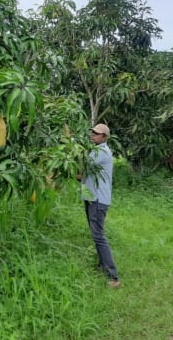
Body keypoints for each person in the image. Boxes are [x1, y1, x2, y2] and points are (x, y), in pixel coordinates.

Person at [78, 123, 120, 288]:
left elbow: (84, 165)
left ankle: (113, 277)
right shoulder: (96, 150)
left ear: (104, 137)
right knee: (96, 234)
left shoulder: (102, 152)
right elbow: (85, 175)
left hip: (98, 200)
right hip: (91, 198)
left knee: (99, 236)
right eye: (93, 132)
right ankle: (102, 266)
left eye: (97, 133)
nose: (93, 135)